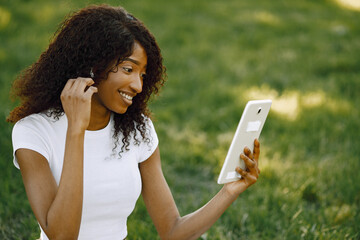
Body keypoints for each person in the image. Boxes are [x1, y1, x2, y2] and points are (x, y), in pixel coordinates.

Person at [7, 4, 261, 240]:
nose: (138, 86)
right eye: (129, 69)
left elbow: (172, 230)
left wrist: (229, 191)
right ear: (93, 66)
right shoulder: (34, 132)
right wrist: (77, 129)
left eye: (142, 74)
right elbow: (62, 236)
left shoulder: (137, 130)